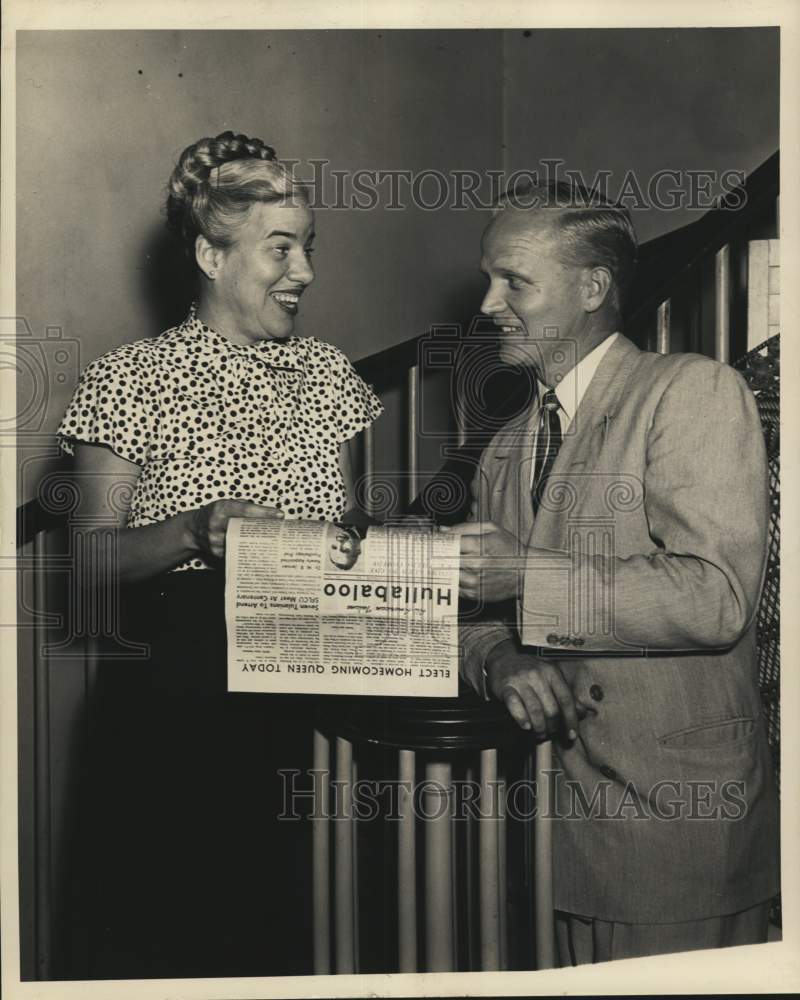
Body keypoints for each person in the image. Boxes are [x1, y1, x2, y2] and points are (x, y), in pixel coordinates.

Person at [56, 131, 382, 976]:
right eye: (280, 250)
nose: (304, 272)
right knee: (171, 946)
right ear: (210, 253)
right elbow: (82, 567)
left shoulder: (330, 375)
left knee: (296, 947)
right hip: (176, 716)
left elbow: (349, 534)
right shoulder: (132, 377)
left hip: (319, 704)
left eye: (307, 249)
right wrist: (194, 533)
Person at [449, 181, 779, 965]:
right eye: (489, 280)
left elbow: (716, 598)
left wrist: (524, 574)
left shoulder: (689, 392)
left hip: (675, 839)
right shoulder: (505, 444)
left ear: (593, 288)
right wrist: (498, 657)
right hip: (544, 844)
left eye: (514, 282)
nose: (490, 303)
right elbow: (474, 611)